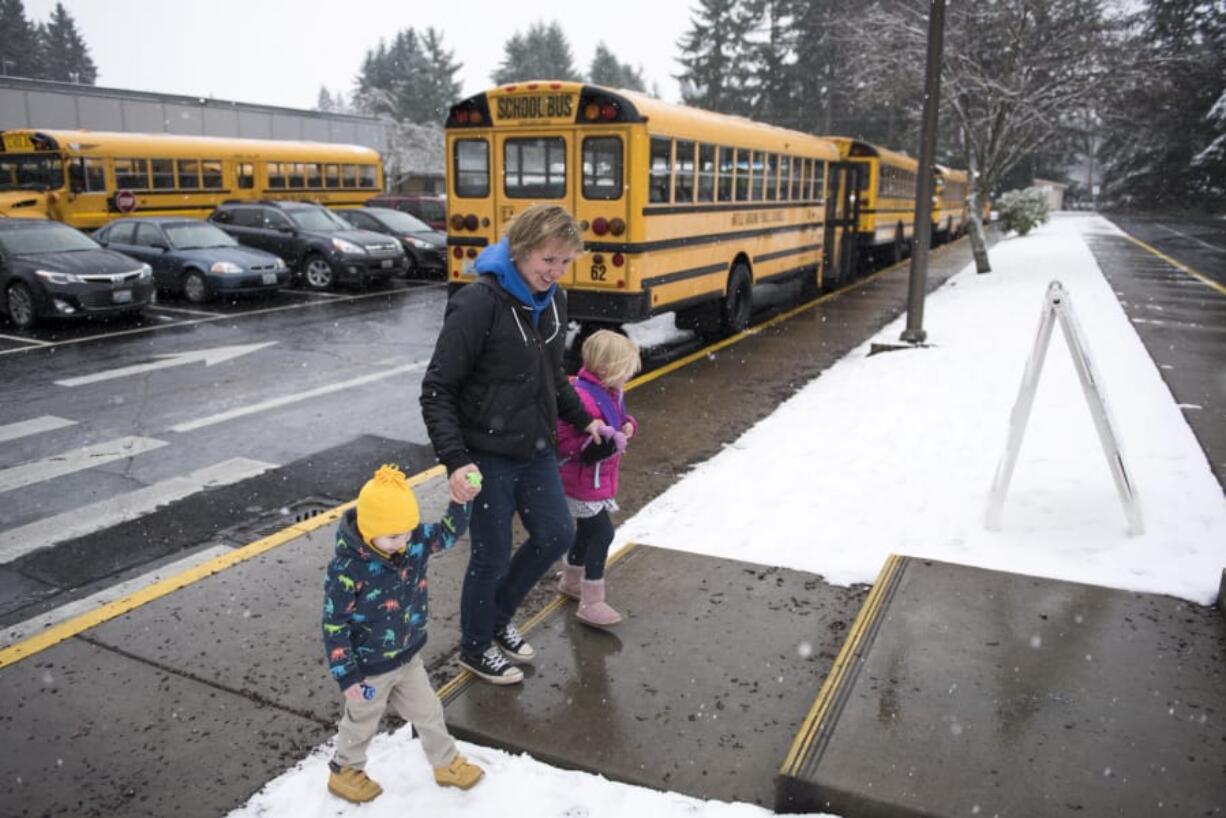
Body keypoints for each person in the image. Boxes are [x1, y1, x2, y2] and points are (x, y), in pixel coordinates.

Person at [420, 204, 602, 685]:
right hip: (485, 453)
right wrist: (455, 461)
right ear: (520, 251)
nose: (556, 271)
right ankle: (475, 645)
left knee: (556, 535)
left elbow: (553, 377)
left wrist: (586, 421)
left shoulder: (552, 301)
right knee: (492, 554)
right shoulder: (479, 303)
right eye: (548, 260)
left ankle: (496, 620)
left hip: (534, 446)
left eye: (565, 262)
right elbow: (438, 389)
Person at [322, 464, 483, 804]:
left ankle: (445, 762)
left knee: (429, 711)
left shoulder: (413, 542)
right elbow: (334, 625)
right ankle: (345, 769)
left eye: (407, 532)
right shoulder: (348, 569)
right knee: (361, 721)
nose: (403, 542)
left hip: (407, 657)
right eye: (393, 536)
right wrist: (346, 674)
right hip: (368, 668)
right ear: (368, 531)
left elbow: (448, 534)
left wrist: (460, 501)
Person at [555, 330, 640, 627]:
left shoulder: (610, 392)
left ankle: (570, 579)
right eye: (624, 370)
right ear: (605, 370)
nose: (626, 377)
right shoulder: (579, 397)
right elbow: (564, 440)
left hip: (596, 479)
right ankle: (592, 601)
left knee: (589, 532)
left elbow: (620, 419)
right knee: (603, 533)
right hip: (579, 481)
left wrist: (628, 426)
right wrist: (595, 442)